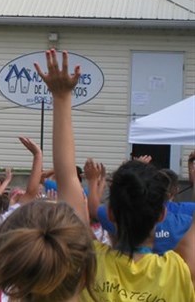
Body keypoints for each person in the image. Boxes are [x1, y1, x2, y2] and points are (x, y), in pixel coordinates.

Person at [33, 49, 193, 301]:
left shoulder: (88, 262)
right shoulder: (179, 271)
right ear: (162, 214)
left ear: (109, 214)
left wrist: (61, 97)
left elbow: (67, 178)